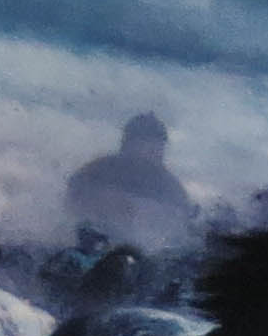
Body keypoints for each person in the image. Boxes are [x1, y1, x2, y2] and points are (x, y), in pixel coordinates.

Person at [62, 109, 195, 256]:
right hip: (93, 247)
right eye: (146, 142)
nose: (154, 150)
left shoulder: (171, 187)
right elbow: (73, 201)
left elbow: (181, 225)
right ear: (128, 143)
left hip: (146, 254)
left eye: (158, 145)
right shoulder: (99, 170)